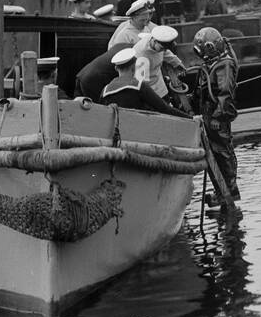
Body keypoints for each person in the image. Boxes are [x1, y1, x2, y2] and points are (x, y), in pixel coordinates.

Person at [191, 26, 241, 202]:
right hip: (208, 112)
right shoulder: (211, 64)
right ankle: (221, 190)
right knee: (214, 151)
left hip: (216, 115)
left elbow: (225, 93)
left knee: (223, 151)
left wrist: (217, 117)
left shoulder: (224, 64)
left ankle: (230, 190)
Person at [100, 48, 187, 116]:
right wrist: (191, 118)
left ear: (116, 69)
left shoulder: (105, 90)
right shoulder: (138, 85)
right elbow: (164, 108)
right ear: (134, 67)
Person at [132, 24, 185, 101]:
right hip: (149, 89)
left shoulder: (158, 45)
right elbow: (142, 83)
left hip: (159, 82)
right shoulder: (142, 56)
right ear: (154, 41)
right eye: (162, 48)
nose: (163, 51)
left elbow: (167, 53)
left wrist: (178, 64)